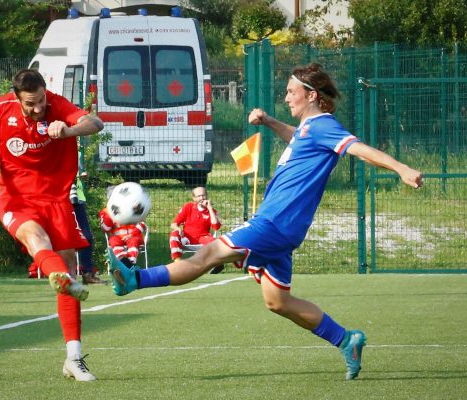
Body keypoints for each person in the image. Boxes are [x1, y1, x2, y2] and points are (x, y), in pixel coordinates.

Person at [106, 63, 424, 380]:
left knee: (207, 255)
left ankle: (134, 280)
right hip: (281, 227)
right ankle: (346, 340)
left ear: (311, 95)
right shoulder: (310, 130)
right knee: (278, 301)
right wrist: (270, 121)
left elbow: (359, 149)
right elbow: (297, 138)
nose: (286, 98)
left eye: (291, 91)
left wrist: (401, 168)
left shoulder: (325, 127)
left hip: (274, 223)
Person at [0, 69, 104, 381]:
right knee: (35, 239)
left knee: (69, 264)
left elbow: (96, 123)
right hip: (16, 197)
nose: (38, 109)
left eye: (41, 101)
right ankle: (59, 275)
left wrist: (69, 130)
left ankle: (73, 358)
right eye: (30, 104)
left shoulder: (57, 105)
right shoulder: (0, 109)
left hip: (57, 198)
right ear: (17, 97)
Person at [169, 186, 223, 273]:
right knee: (174, 234)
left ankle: (217, 264)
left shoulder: (212, 211)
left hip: (203, 237)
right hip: (187, 237)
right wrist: (178, 229)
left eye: (203, 195)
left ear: (207, 196)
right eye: (199, 196)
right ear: (194, 198)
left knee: (213, 241)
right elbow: (174, 224)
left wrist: (209, 208)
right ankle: (177, 262)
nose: (201, 198)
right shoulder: (188, 207)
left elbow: (216, 227)